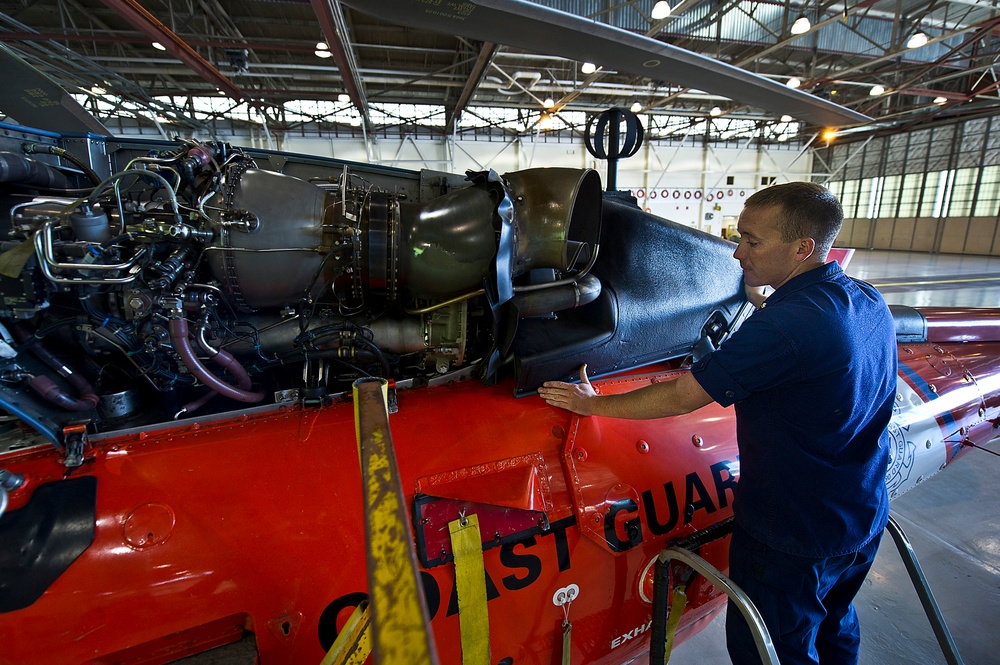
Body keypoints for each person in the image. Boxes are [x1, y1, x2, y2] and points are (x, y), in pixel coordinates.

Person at [538, 181, 897, 665]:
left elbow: (685, 394)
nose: (736, 253)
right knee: (834, 626)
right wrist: (760, 293)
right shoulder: (862, 298)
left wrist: (591, 404)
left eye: (752, 241)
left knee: (772, 650)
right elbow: (806, 333)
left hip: (792, 530)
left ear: (801, 248)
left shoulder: (786, 327)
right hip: (861, 510)